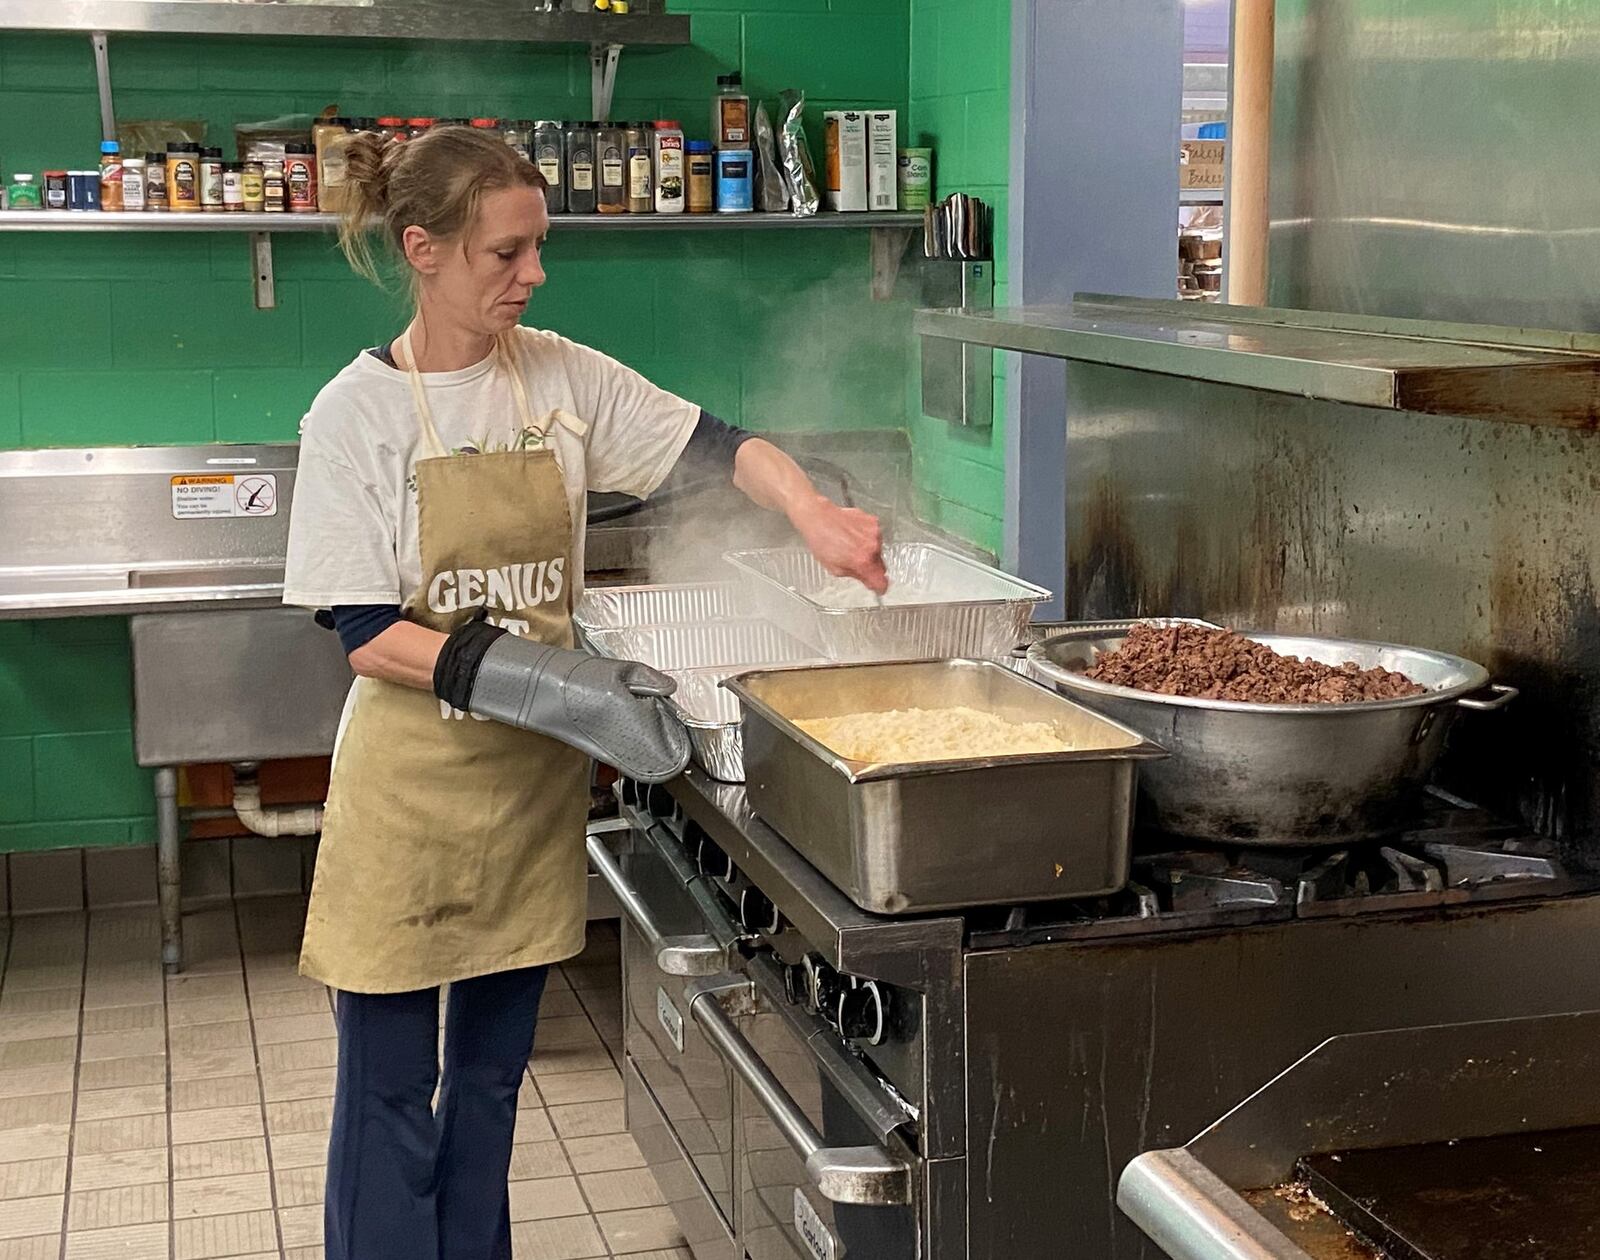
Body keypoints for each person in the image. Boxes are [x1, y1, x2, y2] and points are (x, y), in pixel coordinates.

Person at [281, 125, 887, 1260]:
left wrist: (811, 514)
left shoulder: (557, 377)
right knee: (387, 1092)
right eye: (505, 254)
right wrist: (561, 682)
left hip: (525, 797)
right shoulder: (352, 417)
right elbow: (366, 635)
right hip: (408, 801)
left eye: (537, 247)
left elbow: (717, 447)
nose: (533, 273)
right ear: (424, 249)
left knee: (493, 1084)